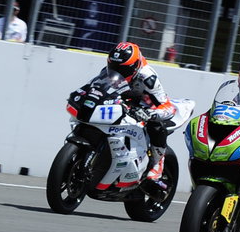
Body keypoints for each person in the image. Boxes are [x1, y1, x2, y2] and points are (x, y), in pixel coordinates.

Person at [71, 41, 179, 183]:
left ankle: (157, 163)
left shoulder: (148, 78)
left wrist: (151, 114)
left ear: (135, 67)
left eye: (122, 69)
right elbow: (94, 87)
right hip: (123, 99)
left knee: (156, 126)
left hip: (145, 104)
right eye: (114, 67)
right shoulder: (108, 71)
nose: (117, 72)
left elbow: (168, 107)